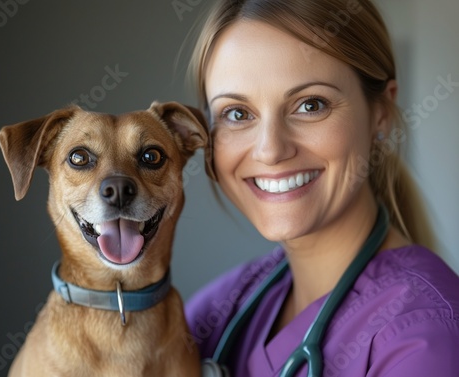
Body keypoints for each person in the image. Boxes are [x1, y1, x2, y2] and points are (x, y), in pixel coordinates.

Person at [184, 0, 459, 376]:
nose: (270, 149)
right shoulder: (217, 314)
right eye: (237, 114)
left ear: (380, 112)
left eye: (310, 105)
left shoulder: (426, 339)